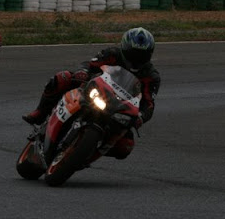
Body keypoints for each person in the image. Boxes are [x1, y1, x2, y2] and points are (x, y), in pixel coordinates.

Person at [22, 27, 160, 160]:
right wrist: (83, 72)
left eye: (141, 56)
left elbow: (149, 104)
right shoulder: (112, 54)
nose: (136, 59)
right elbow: (90, 64)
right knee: (62, 78)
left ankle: (88, 153)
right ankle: (39, 113)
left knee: (125, 146)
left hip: (119, 109)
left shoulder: (151, 76)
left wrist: (140, 117)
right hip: (94, 90)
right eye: (132, 54)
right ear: (124, 48)